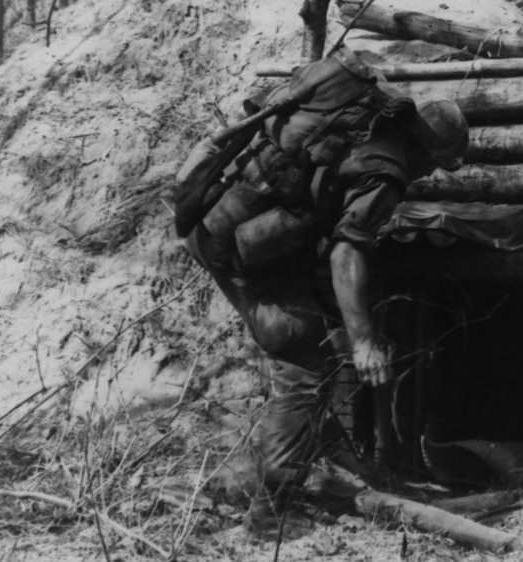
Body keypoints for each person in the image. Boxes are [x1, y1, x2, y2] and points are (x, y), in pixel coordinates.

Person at [174, 49, 468, 539]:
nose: (428, 176)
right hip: (238, 249)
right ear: (428, 154)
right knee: (304, 368)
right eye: (435, 167)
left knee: (314, 355)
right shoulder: (386, 172)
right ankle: (270, 514)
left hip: (216, 222)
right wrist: (365, 340)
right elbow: (346, 253)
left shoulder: (359, 124)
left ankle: (333, 467)